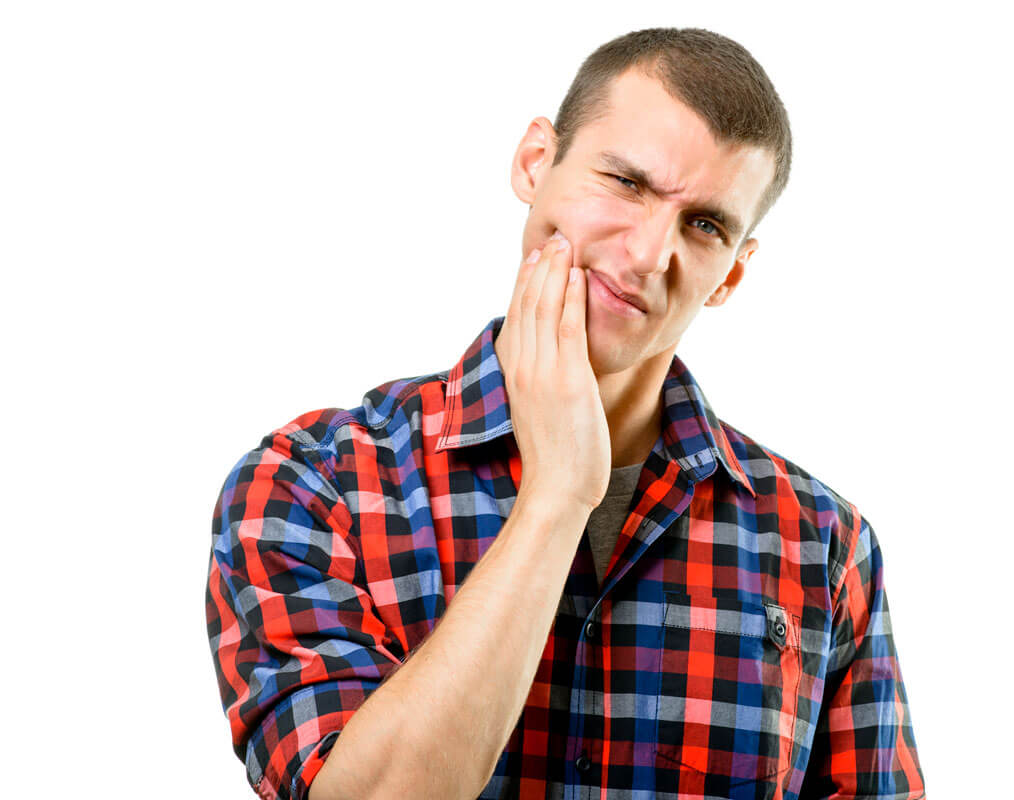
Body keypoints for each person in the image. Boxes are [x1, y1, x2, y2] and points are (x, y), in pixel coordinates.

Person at [205, 27, 925, 800]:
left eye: (705, 225)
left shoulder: (822, 544)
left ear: (731, 276)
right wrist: (557, 497)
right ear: (534, 163)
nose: (651, 252)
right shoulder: (315, 485)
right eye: (625, 182)